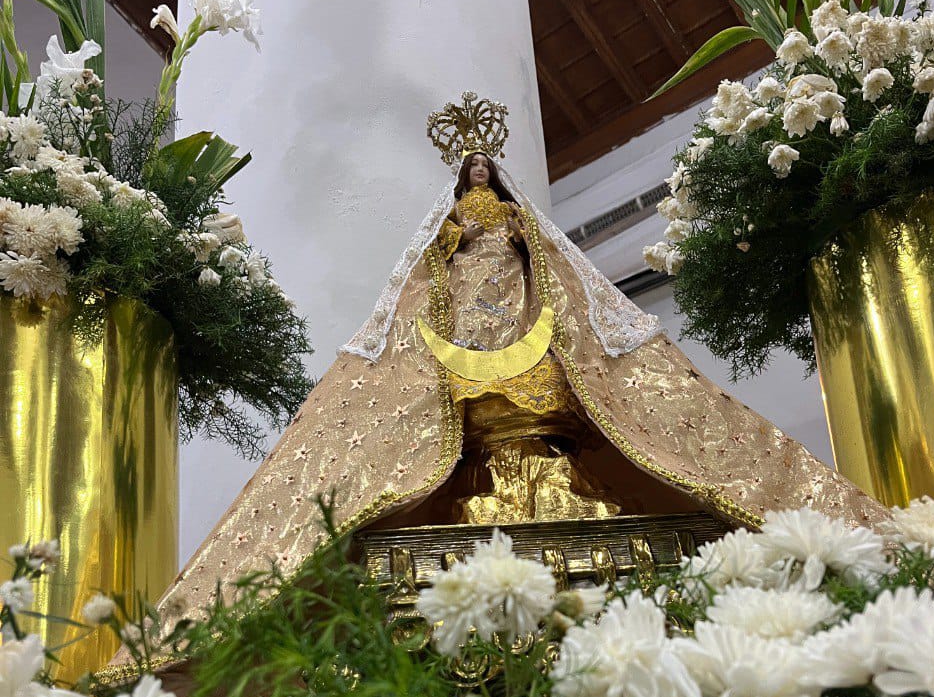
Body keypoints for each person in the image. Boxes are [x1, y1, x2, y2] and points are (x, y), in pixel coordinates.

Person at [154, 93, 883, 630]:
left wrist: (522, 253)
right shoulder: (457, 220)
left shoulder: (511, 216)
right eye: (469, 170)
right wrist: (451, 250)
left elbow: (547, 255)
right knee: (476, 357)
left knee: (523, 360)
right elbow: (437, 257)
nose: (476, 177)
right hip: (468, 295)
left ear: (495, 175)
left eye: (483, 169)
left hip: (513, 287)